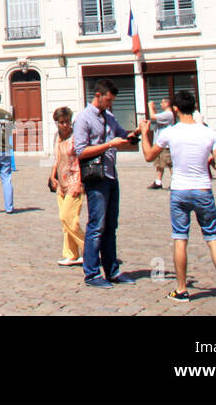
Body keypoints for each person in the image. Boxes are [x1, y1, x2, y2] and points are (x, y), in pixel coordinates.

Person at [139, 90, 216, 306]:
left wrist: (144, 134)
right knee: (213, 238)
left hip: (180, 191)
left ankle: (182, 289)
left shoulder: (170, 133)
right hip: (203, 189)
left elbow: (149, 156)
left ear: (175, 109)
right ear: (194, 107)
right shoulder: (208, 133)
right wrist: (210, 159)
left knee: (180, 238)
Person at [73, 79, 139, 288]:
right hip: (96, 178)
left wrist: (136, 133)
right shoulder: (83, 119)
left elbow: (123, 136)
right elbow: (80, 151)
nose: (110, 104)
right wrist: (109, 144)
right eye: (108, 100)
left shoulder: (109, 117)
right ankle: (91, 274)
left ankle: (112, 271)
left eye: (112, 101)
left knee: (111, 226)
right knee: (96, 226)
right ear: (98, 96)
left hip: (111, 176)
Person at [47, 106, 84, 266]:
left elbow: (82, 159)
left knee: (68, 218)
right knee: (65, 223)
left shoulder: (77, 137)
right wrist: (51, 176)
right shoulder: (57, 137)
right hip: (61, 183)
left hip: (74, 182)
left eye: (67, 122)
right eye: (61, 122)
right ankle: (71, 254)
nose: (65, 125)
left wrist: (80, 182)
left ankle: (91, 250)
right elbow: (57, 159)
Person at [147, 97, 175, 189]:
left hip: (166, 144)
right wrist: (154, 109)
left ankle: (175, 181)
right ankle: (158, 182)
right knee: (159, 164)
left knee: (170, 163)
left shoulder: (169, 114)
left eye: (162, 102)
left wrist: (150, 106)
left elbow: (153, 116)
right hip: (159, 143)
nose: (161, 104)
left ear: (167, 103)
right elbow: (156, 118)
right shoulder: (164, 114)